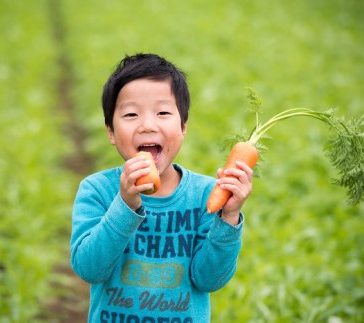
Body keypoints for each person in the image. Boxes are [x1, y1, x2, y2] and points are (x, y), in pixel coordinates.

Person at [70, 53, 253, 322]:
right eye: (131, 114)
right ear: (110, 131)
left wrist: (228, 218)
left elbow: (209, 279)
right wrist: (125, 205)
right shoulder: (97, 190)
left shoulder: (205, 194)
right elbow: (89, 268)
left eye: (163, 112)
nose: (147, 125)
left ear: (183, 126)